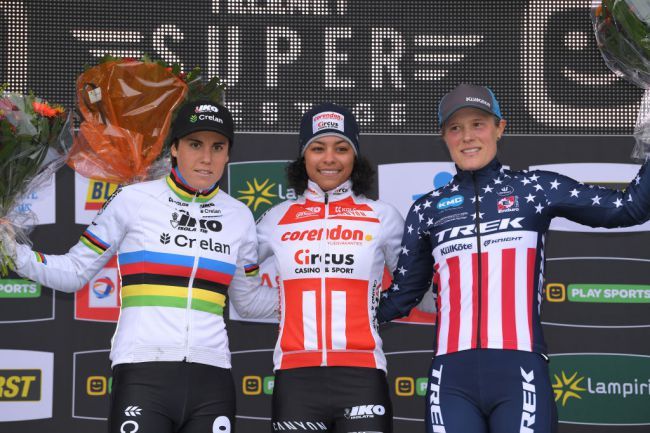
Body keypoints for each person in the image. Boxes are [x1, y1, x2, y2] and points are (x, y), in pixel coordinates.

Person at [377, 84, 650, 433]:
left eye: (478, 124)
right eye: (455, 128)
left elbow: (627, 208)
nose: (467, 137)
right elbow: (400, 298)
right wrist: (331, 316)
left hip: (519, 372)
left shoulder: (535, 189)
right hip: (450, 379)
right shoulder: (427, 209)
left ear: (499, 127)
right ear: (444, 136)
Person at [5, 99, 277, 433]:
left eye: (217, 147)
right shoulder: (134, 200)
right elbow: (74, 272)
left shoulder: (239, 216)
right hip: (143, 372)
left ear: (228, 154)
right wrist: (11, 251)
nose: (206, 158)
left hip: (213, 376)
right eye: (195, 144)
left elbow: (248, 301)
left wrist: (325, 297)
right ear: (175, 149)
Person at [256, 103, 404, 433]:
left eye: (341, 148)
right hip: (295, 376)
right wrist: (281, 304)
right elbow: (236, 263)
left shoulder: (382, 216)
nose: (329, 159)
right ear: (303, 156)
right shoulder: (278, 218)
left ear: (355, 156)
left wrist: (378, 308)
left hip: (363, 373)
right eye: (317, 148)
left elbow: (412, 282)